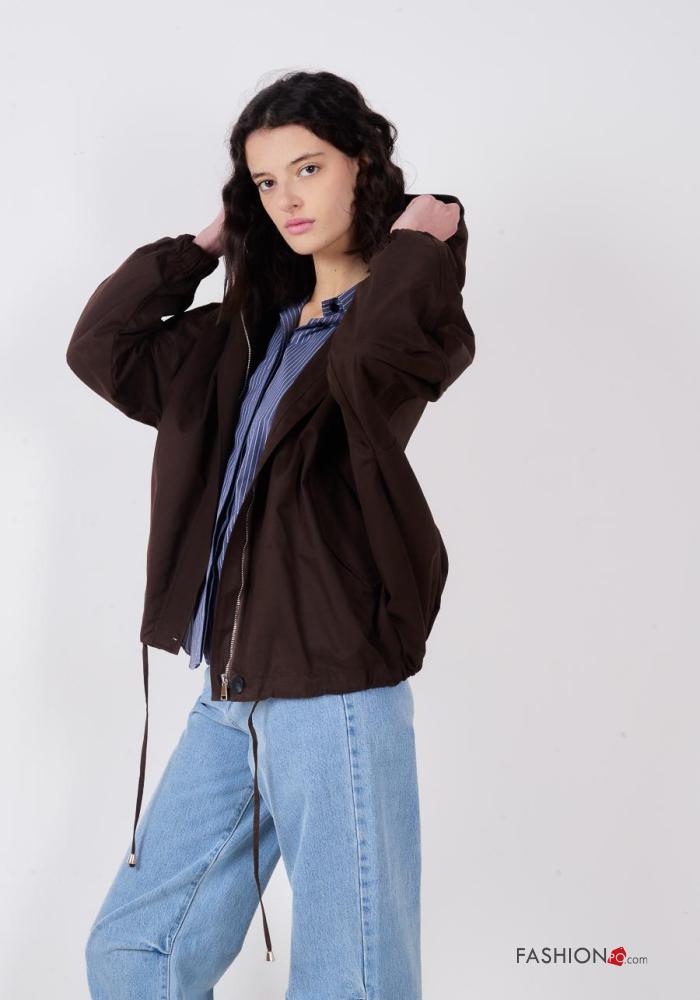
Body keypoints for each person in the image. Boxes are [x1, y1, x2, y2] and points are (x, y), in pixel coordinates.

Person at [67, 69, 475, 999]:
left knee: (350, 982)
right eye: (264, 182)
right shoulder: (242, 335)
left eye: (309, 168)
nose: (287, 198)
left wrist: (421, 236)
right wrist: (206, 244)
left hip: (335, 693)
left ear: (362, 165)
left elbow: (371, 362)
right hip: (228, 696)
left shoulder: (395, 324)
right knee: (132, 955)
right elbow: (101, 349)